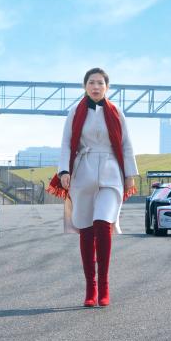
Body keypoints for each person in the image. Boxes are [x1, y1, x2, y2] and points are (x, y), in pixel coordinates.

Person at [48, 67, 137, 307]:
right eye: (91, 82)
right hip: (83, 171)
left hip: (111, 171)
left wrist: (130, 174)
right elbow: (66, 143)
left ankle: (104, 285)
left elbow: (126, 144)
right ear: (85, 86)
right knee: (86, 227)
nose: (96, 87)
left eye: (100, 83)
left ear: (107, 87)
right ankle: (91, 288)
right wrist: (64, 171)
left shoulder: (116, 112)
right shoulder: (75, 112)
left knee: (103, 223)